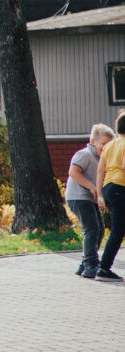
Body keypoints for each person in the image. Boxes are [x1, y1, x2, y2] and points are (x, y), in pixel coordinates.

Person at [69, 123, 114, 278]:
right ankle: (90, 264)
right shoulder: (85, 154)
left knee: (99, 229)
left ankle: (85, 262)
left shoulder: (101, 158)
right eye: (103, 144)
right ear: (93, 141)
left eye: (109, 145)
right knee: (92, 229)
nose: (106, 147)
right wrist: (92, 188)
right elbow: (73, 172)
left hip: (90, 199)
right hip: (78, 196)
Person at [95, 111, 125, 280]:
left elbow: (100, 170)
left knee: (118, 229)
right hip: (121, 187)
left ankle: (103, 267)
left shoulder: (110, 145)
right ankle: (104, 268)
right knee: (117, 231)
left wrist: (100, 194)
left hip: (108, 188)